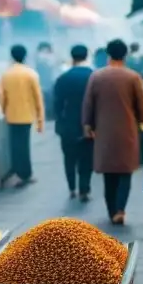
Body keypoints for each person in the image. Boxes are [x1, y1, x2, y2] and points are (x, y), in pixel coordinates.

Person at [83, 39, 143, 224]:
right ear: (125, 55)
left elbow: (88, 105)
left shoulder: (96, 77)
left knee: (109, 173)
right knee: (125, 171)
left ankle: (112, 209)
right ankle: (120, 209)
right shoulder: (133, 77)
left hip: (104, 131)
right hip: (127, 130)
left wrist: (88, 126)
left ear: (108, 54)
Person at [0, 44, 44, 187]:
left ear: (12, 56)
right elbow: (38, 98)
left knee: (15, 145)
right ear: (25, 56)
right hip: (26, 116)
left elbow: (2, 97)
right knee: (23, 146)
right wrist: (40, 120)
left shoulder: (6, 74)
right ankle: (25, 174)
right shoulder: (31, 74)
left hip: (10, 116)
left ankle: (18, 171)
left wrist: (1, 112)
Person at [53, 45, 94, 201]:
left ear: (72, 57)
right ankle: (84, 188)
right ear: (87, 56)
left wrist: (59, 122)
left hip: (68, 124)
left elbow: (57, 104)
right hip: (89, 124)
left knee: (69, 157)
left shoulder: (63, 78)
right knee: (86, 157)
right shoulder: (93, 76)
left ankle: (72, 187)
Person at [35, 42, 58, 122]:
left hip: (49, 84)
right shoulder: (40, 59)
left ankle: (47, 115)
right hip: (42, 84)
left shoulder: (49, 59)